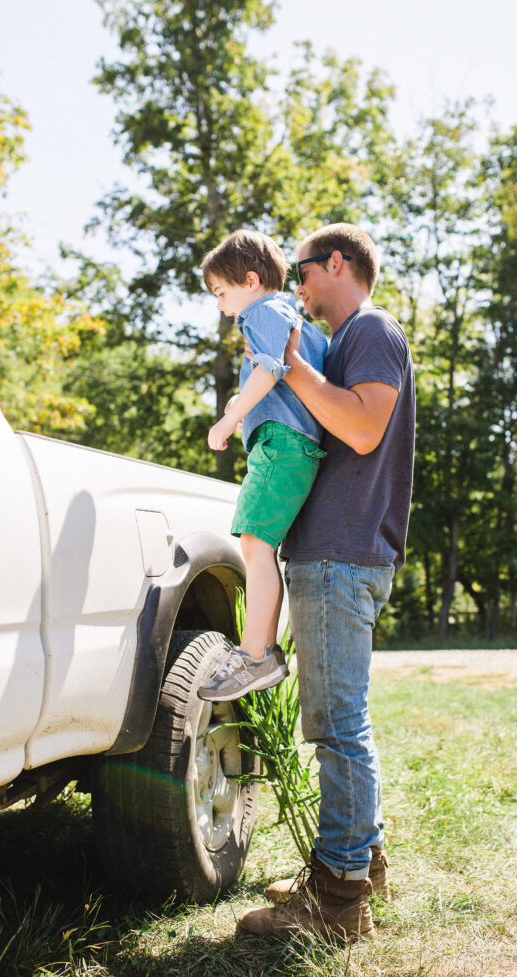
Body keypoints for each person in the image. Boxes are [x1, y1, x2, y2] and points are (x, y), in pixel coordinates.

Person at [237, 223, 415, 941]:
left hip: (342, 557)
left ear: (335, 263)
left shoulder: (370, 329)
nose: (297, 287)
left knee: (336, 727)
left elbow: (366, 428)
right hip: (339, 553)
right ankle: (357, 863)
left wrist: (289, 367)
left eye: (304, 272)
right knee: (346, 721)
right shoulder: (346, 342)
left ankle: (337, 900)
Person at [197, 229, 328, 702]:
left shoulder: (265, 312)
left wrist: (230, 417)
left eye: (221, 292)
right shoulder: (284, 316)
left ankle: (256, 654)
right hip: (287, 444)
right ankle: (260, 651)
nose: (220, 305)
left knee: (255, 541)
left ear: (250, 280)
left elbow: (271, 368)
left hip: (282, 445)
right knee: (258, 543)